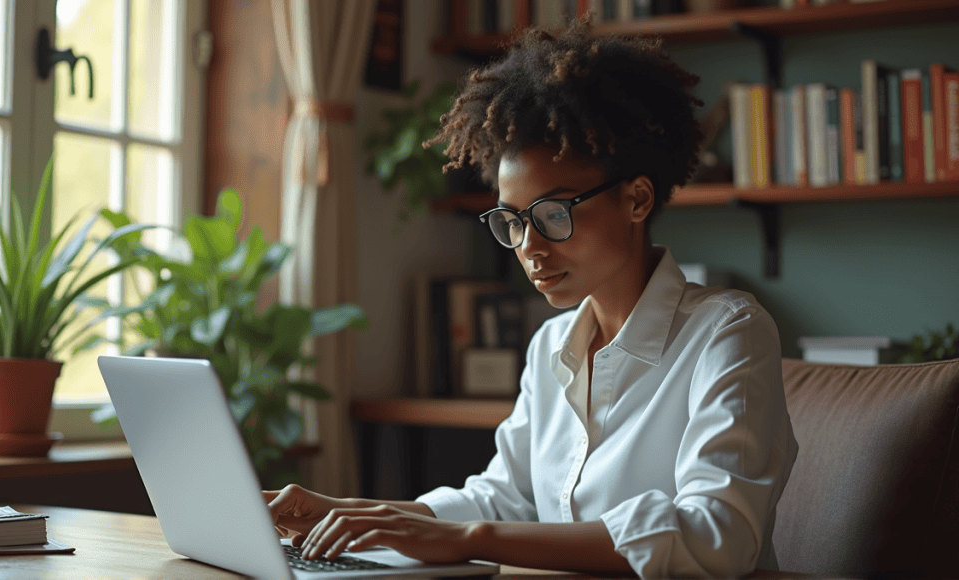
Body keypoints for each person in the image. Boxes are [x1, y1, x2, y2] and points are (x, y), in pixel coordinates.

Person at [264, 16, 797, 578]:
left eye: (553, 214)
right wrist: (354, 513)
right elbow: (503, 499)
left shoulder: (727, 333)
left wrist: (471, 538)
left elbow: (715, 536)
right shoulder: (552, 347)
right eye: (513, 221)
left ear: (637, 200)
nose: (529, 247)